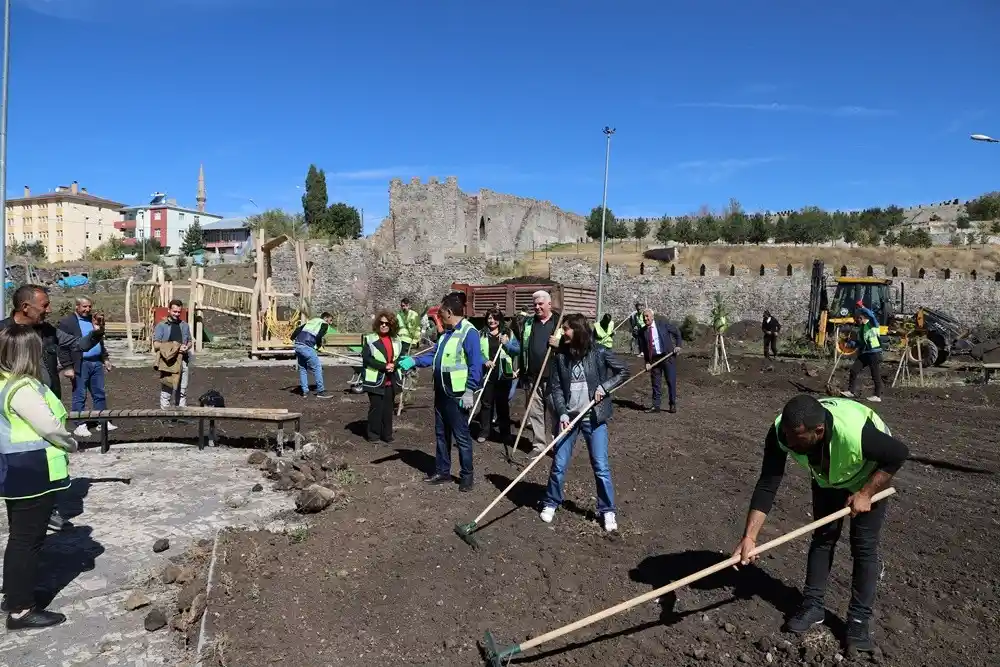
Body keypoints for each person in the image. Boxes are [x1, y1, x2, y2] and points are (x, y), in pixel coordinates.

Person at [733, 395, 909, 653]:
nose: (789, 444)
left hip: (868, 474)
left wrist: (866, 492)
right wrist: (749, 537)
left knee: (863, 546)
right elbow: (769, 481)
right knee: (823, 537)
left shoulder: (857, 435)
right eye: (788, 437)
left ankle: (858, 622)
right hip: (828, 476)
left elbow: (898, 453)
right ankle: (813, 605)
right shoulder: (783, 431)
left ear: (819, 430)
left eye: (796, 440)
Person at [0, 285, 101, 533]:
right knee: (19, 457)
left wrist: (98, 334)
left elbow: (80, 345)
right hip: (13, 406)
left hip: (44, 404)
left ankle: (48, 508)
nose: (49, 309)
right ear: (25, 307)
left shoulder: (49, 332)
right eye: (44, 305)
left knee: (49, 456)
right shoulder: (3, 332)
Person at [0, 324, 78, 630]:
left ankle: (15, 593)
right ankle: (21, 610)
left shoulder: (4, 382)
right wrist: (70, 442)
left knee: (20, 536)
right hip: (32, 471)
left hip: (15, 470)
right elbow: (49, 427)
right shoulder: (23, 389)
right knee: (28, 540)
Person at [541, 314, 629, 531]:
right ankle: (551, 502)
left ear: (578, 330)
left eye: (566, 329)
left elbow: (624, 370)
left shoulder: (599, 352)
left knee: (600, 466)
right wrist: (561, 413)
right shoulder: (560, 357)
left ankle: (607, 510)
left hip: (594, 417)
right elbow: (556, 389)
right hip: (569, 419)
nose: (563, 333)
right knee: (559, 464)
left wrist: (605, 387)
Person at [402, 293, 483, 491]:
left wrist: (469, 390)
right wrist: (414, 361)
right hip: (442, 392)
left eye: (440, 312)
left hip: (457, 394)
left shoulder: (468, 332)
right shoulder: (447, 333)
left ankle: (466, 477)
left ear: (449, 312)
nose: (438, 315)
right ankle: (443, 471)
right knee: (441, 434)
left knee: (461, 436)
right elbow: (434, 357)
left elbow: (476, 365)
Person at [58, 297, 115, 438]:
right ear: (76, 306)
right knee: (80, 394)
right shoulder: (67, 323)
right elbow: (62, 347)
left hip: (95, 362)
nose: (87, 309)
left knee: (99, 393)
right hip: (80, 363)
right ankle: (80, 424)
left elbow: (99, 340)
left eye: (89, 306)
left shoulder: (93, 320)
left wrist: (105, 358)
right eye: (84, 307)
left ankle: (102, 419)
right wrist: (68, 366)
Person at [515, 290, 560, 454]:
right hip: (533, 376)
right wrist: (523, 372)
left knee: (556, 412)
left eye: (540, 304)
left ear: (549, 304)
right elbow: (523, 348)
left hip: (554, 377)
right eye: (535, 304)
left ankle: (557, 444)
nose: (537, 307)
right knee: (535, 412)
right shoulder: (529, 323)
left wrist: (559, 344)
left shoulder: (559, 322)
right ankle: (539, 445)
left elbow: (573, 346)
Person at [362, 310, 400, 444]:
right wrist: (384, 366)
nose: (384, 325)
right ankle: (373, 435)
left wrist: (395, 365)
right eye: (381, 323)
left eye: (387, 323)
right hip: (375, 380)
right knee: (376, 408)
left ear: (391, 325)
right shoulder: (370, 338)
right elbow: (367, 359)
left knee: (388, 409)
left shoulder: (396, 340)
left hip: (391, 380)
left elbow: (398, 358)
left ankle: (387, 435)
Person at [476, 308, 514, 445]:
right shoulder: (481, 334)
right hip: (487, 374)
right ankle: (485, 431)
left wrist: (507, 344)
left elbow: (517, 350)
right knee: (486, 404)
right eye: (489, 318)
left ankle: (505, 433)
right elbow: (476, 353)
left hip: (503, 374)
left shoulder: (508, 333)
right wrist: (484, 361)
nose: (492, 321)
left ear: (500, 319)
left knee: (502, 404)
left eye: (495, 318)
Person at [637, 308, 682, 413]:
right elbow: (644, 348)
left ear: (652, 317)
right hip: (654, 359)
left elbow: (677, 332)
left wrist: (678, 346)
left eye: (647, 316)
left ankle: (672, 404)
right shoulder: (643, 332)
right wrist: (647, 362)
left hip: (667, 356)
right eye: (644, 317)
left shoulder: (663, 324)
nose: (645, 318)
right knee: (655, 383)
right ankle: (656, 406)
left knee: (670, 381)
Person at [152, 299, 193, 409]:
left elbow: (190, 341)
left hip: (183, 360)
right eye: (174, 311)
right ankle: (165, 415)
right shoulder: (161, 325)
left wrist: (187, 347)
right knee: (167, 389)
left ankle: (181, 415)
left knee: (182, 390)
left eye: (179, 312)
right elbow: (156, 344)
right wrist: (174, 347)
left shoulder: (184, 325)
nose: (177, 314)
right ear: (169, 310)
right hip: (168, 361)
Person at [842, 306, 884, 403]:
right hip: (865, 353)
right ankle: (850, 391)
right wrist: (849, 344)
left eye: (857, 319)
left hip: (874, 353)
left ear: (861, 318)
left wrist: (861, 307)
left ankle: (877, 396)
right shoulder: (861, 330)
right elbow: (859, 343)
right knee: (854, 370)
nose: (856, 322)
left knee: (875, 375)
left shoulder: (872, 324)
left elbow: (870, 314)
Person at [290, 312, 335, 398]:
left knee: (303, 369)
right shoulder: (324, 324)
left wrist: (291, 339)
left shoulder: (312, 321)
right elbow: (319, 336)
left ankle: (305, 392)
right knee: (317, 368)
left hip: (298, 346)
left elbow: (297, 330)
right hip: (307, 347)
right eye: (330, 320)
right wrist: (319, 346)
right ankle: (321, 391)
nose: (331, 322)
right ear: (325, 318)